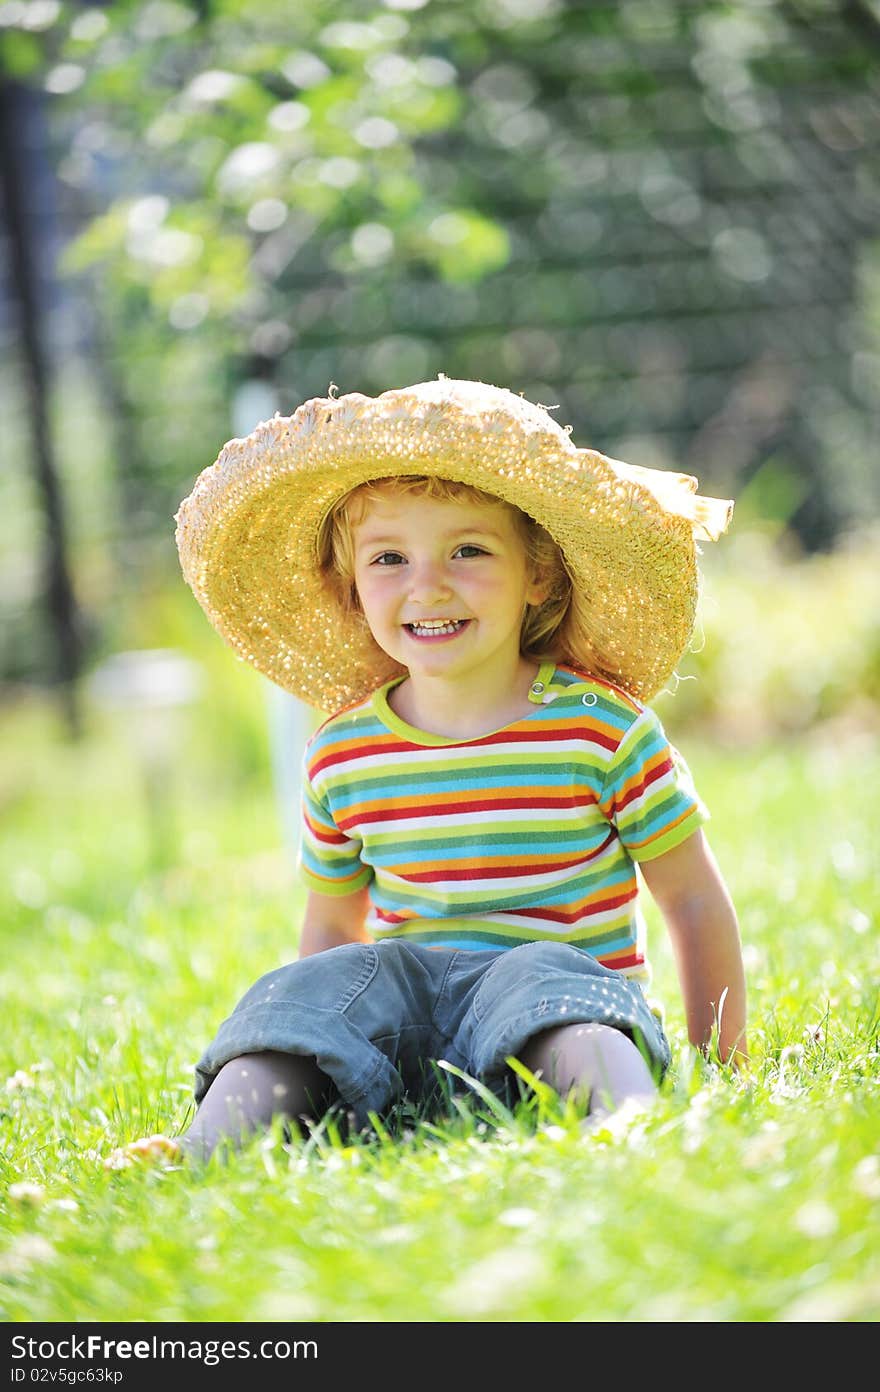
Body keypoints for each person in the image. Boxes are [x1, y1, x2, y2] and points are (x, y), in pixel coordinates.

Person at [123, 377, 748, 1165]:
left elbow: (691, 899)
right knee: (303, 995)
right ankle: (208, 1142)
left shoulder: (600, 730)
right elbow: (332, 929)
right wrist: (320, 1019)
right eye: (390, 558)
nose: (429, 585)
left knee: (550, 984)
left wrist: (722, 1061)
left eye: (469, 550)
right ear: (351, 588)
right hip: (403, 1033)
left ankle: (620, 1116)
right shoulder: (346, 753)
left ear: (540, 576)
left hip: (549, 1020)